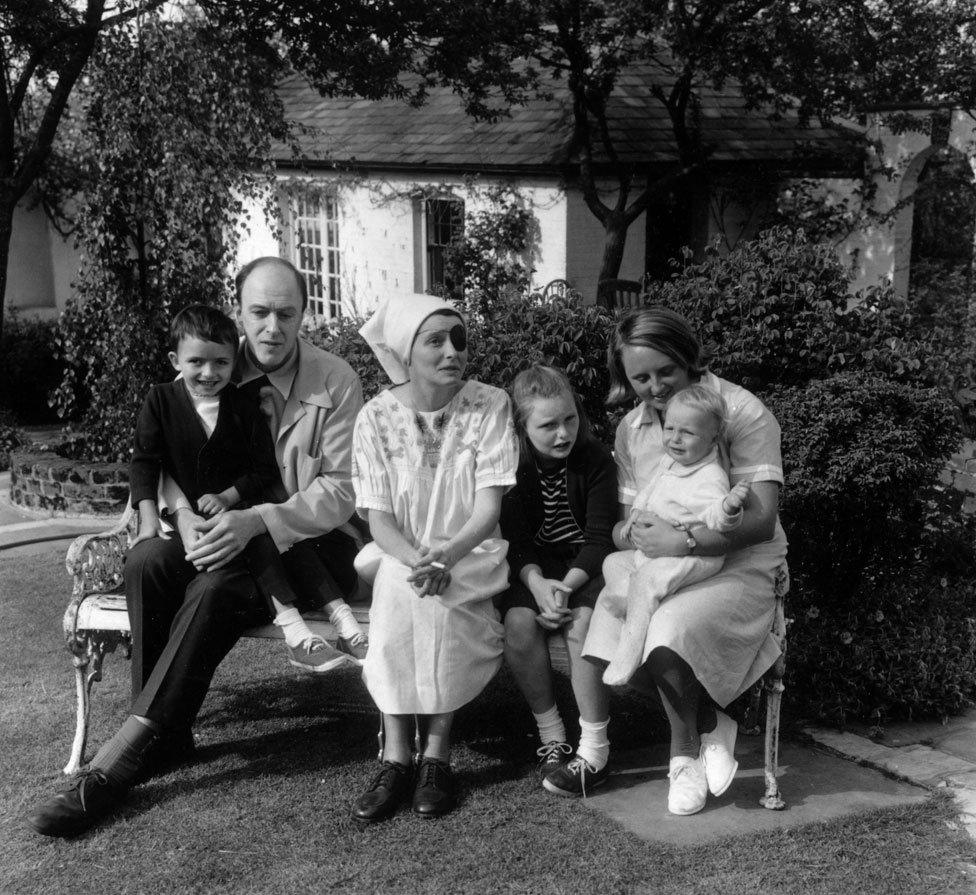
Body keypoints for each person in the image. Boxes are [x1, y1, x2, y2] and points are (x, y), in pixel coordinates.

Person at [30, 257, 366, 837]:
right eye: (259, 312)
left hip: (311, 548)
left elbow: (340, 490)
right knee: (149, 559)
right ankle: (171, 733)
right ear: (239, 312)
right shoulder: (211, 363)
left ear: (304, 315)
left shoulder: (335, 381)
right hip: (213, 531)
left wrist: (256, 520)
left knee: (213, 586)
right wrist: (180, 514)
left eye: (287, 313)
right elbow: (164, 450)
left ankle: (121, 757)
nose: (272, 327)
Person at [582, 307, 788, 817]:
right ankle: (711, 722)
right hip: (661, 561)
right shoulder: (632, 429)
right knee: (607, 619)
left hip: (742, 560)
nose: (654, 387)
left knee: (666, 625)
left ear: (688, 358)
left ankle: (682, 758)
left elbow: (758, 520)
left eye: (664, 372)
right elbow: (632, 519)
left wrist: (686, 542)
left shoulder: (740, 410)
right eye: (640, 378)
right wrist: (629, 534)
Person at [349, 294, 518, 823]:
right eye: (436, 340)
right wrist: (420, 560)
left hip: (471, 553)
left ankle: (436, 756)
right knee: (402, 593)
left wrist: (447, 555)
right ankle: (397, 757)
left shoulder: (490, 404)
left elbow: (488, 508)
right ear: (407, 350)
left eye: (459, 339)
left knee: (433, 604)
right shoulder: (375, 417)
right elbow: (378, 520)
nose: (452, 351)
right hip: (401, 554)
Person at [129, 303, 352, 673]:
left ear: (235, 363)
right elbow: (146, 461)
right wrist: (149, 521)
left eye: (220, 363)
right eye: (196, 361)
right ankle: (304, 629)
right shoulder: (161, 400)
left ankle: (304, 629)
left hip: (235, 515)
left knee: (264, 538)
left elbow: (262, 469)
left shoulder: (242, 406)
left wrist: (228, 497)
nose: (208, 372)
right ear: (175, 359)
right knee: (150, 563)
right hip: (181, 528)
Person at [498, 365, 617, 798]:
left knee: (582, 624)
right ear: (522, 427)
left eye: (570, 419)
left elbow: (601, 538)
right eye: (547, 425)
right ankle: (551, 735)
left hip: (585, 566)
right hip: (533, 568)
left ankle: (593, 745)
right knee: (518, 623)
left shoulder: (596, 460)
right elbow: (516, 541)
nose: (563, 433)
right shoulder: (511, 466)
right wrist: (536, 585)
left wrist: (564, 588)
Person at [600, 384, 750, 688]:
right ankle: (633, 600)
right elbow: (650, 491)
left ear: (713, 438)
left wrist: (729, 506)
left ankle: (627, 653)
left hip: (691, 555)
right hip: (660, 552)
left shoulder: (710, 476)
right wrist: (636, 516)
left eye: (688, 433)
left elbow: (716, 520)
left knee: (644, 582)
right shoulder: (671, 462)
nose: (675, 439)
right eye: (669, 428)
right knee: (614, 562)